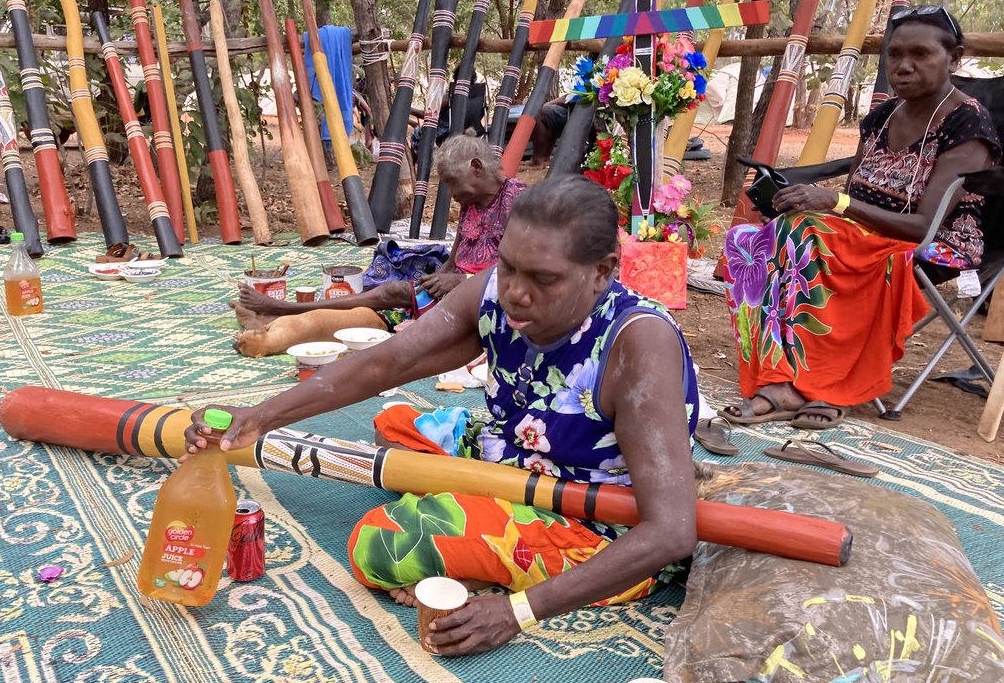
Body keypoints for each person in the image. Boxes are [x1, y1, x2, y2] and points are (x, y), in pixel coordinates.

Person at [187, 175, 700, 656]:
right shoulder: (496, 292)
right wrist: (260, 417)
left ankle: (491, 552)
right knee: (395, 425)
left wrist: (517, 612)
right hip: (517, 458)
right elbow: (388, 361)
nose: (516, 292)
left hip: (593, 516)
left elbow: (671, 530)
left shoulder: (638, 344)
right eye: (509, 266)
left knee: (384, 542)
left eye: (543, 278)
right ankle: (479, 533)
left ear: (602, 272)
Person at [722, 6, 1000, 429]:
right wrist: (808, 203)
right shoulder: (882, 116)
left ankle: (825, 383)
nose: (903, 66)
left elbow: (923, 225)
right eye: (895, 54)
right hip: (859, 232)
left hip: (933, 242)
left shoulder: (967, 122)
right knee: (749, 240)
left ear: (954, 58)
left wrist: (833, 204)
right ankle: (780, 372)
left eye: (921, 54)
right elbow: (853, 194)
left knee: (802, 234)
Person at [233, 135, 526, 356]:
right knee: (391, 298)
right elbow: (455, 258)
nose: (450, 192)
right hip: (458, 290)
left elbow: (522, 269)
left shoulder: (520, 201)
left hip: (491, 295)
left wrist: (464, 281)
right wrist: (438, 278)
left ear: (476, 167)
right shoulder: (471, 202)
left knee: (391, 293)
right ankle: (284, 313)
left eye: (451, 182)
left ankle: (282, 309)